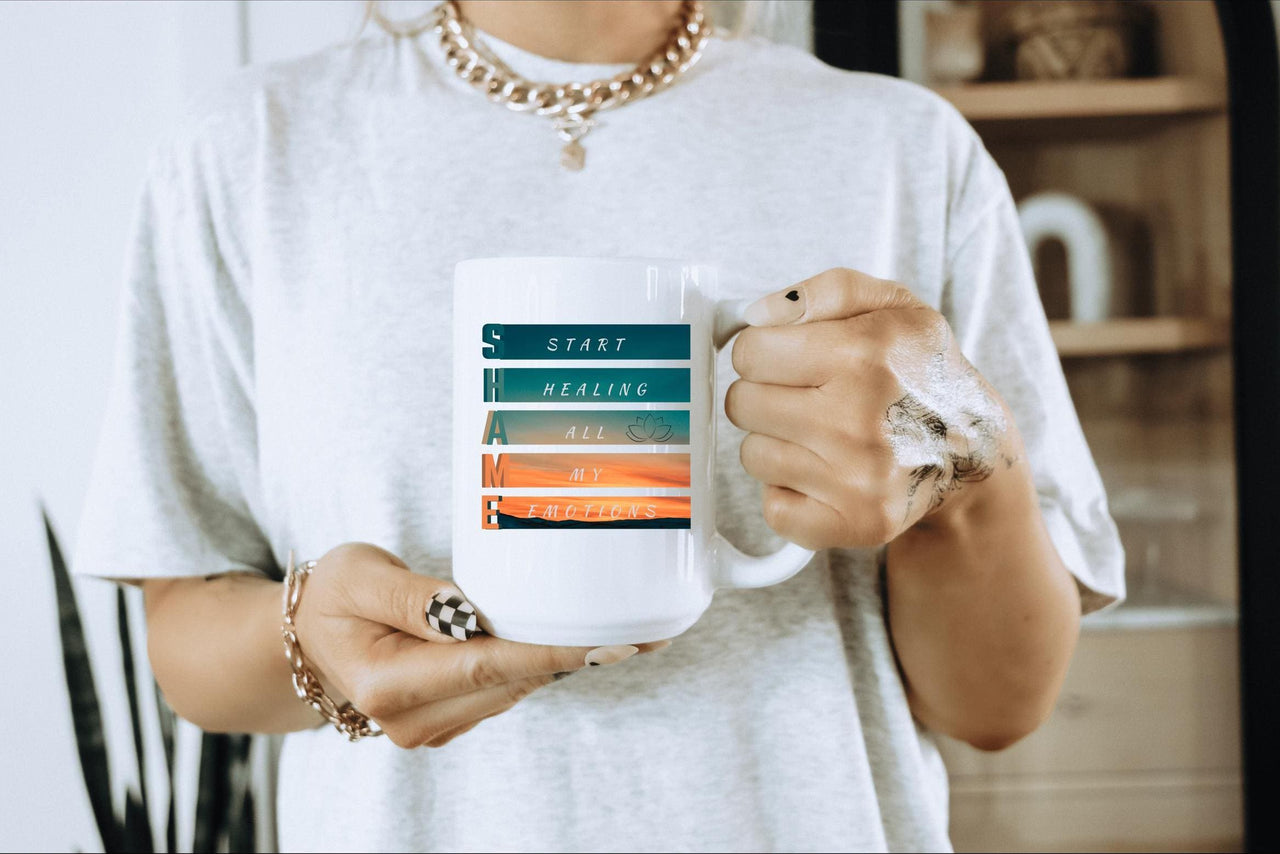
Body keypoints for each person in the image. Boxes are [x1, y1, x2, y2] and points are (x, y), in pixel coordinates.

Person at [74, 1, 1124, 850]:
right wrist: (307, 635)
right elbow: (187, 646)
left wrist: (957, 481)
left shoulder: (903, 149)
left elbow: (997, 704)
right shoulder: (246, 153)